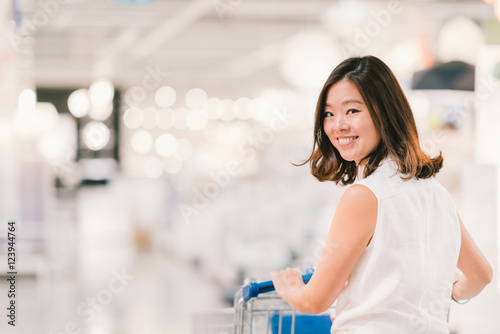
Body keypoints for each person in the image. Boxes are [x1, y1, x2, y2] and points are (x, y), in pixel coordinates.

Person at [270, 55, 493, 333]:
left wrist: (290, 289)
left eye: (352, 111)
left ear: (384, 113)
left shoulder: (363, 196)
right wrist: (437, 298)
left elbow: (315, 300)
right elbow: (480, 275)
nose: (337, 125)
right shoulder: (436, 193)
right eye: (329, 113)